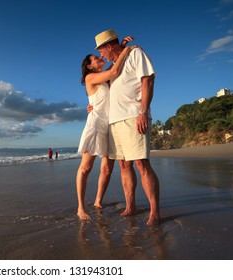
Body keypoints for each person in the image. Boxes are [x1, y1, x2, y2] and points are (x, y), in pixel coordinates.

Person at [94, 29, 160, 225]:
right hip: (115, 121)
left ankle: (155, 211)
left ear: (108, 46)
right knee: (124, 165)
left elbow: (147, 80)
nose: (100, 55)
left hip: (133, 116)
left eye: (101, 51)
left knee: (141, 163)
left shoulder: (136, 54)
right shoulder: (116, 64)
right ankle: (130, 206)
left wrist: (143, 112)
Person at [76, 37, 137, 221]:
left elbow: (114, 66)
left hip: (109, 125)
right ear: (89, 66)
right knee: (86, 167)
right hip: (95, 124)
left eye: (99, 55)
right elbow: (115, 70)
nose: (99, 57)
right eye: (95, 58)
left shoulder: (105, 80)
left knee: (108, 169)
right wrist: (128, 50)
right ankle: (80, 207)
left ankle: (97, 201)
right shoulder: (90, 77)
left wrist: (121, 47)